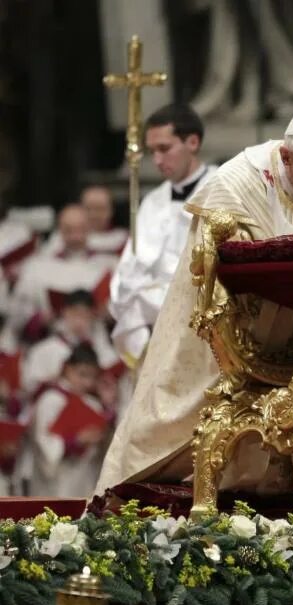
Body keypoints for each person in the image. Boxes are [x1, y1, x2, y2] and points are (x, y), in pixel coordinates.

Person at [94, 106, 293, 496]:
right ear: (285, 155)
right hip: (235, 326)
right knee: (185, 412)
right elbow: (215, 268)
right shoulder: (236, 183)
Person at [108, 104, 218, 367]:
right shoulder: (152, 203)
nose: (156, 160)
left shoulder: (220, 191)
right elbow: (128, 272)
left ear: (192, 142)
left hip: (203, 329)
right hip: (154, 330)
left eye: (164, 149)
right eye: (152, 151)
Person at [0, 205, 117, 354]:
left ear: (89, 229)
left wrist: (107, 312)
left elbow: (124, 316)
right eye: (69, 230)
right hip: (50, 346)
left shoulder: (108, 265)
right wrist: (40, 319)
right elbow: (18, 317)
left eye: (80, 229)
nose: (76, 237)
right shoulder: (38, 266)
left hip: (97, 347)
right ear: (59, 230)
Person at [17, 343, 116, 497]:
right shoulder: (50, 400)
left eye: (92, 377)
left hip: (83, 478)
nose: (87, 383)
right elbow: (43, 443)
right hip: (55, 481)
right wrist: (76, 441)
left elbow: (107, 450)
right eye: (82, 374)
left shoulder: (93, 404)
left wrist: (108, 410)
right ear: (68, 369)